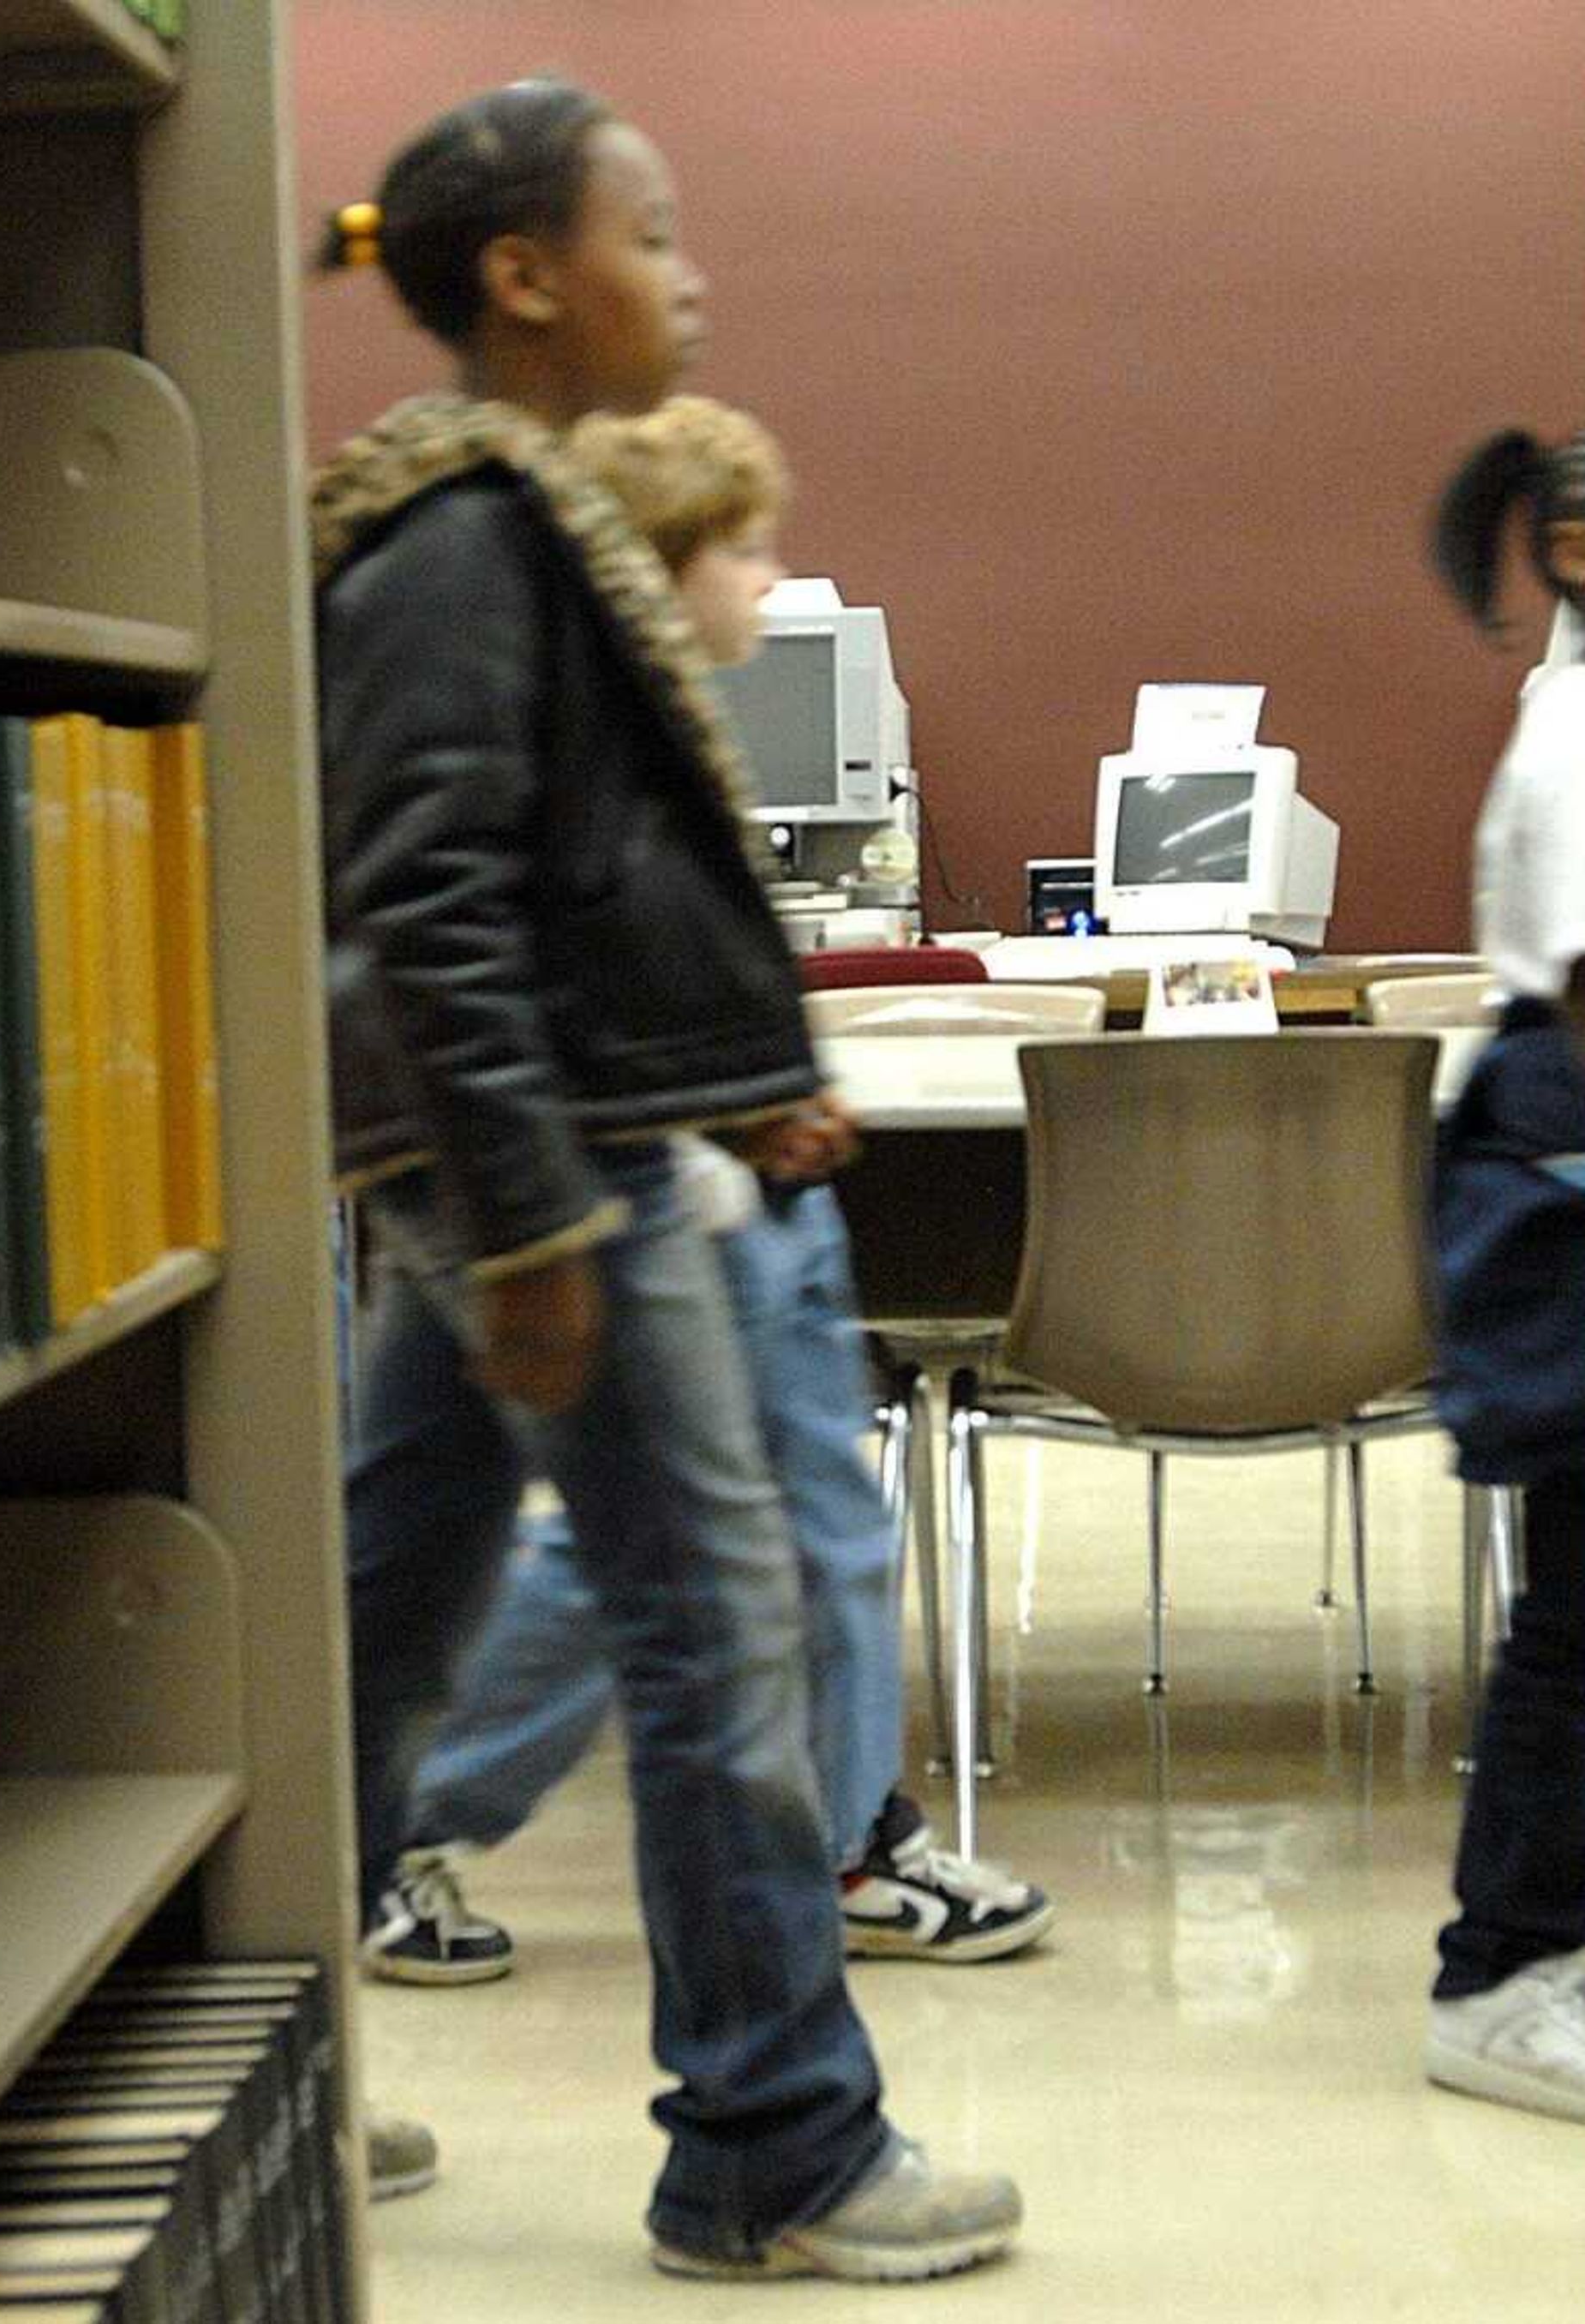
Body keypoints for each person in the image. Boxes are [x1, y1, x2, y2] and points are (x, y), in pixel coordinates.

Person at [310, 81, 1022, 2280]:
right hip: (546, 1181)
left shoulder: (525, 528)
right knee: (722, 1634)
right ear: (527, 279)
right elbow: (429, 905)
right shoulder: (465, 548)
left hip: (571, 1150)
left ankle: (252, 2054)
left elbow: (582, 889)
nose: (694, 273)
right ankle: (775, 2148)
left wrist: (740, 1085)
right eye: (657, 231)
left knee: (378, 1620)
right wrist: (533, 1221)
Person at [356, 396, 1055, 1988]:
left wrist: (771, 1091)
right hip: (674, 1206)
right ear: (653, 576)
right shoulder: (584, 745)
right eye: (741, 548)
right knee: (621, 1561)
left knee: (829, 1528)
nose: (772, 576)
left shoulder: (672, 732)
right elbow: (563, 986)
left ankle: (856, 1840)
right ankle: (404, 1823)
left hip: (756, 1188)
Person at [1417, 425, 1585, 2125]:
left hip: (1565, 1144)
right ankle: (1504, 1967)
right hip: (1580, 1159)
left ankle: (1554, 1942)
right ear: (1583, 546)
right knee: (1579, 1612)